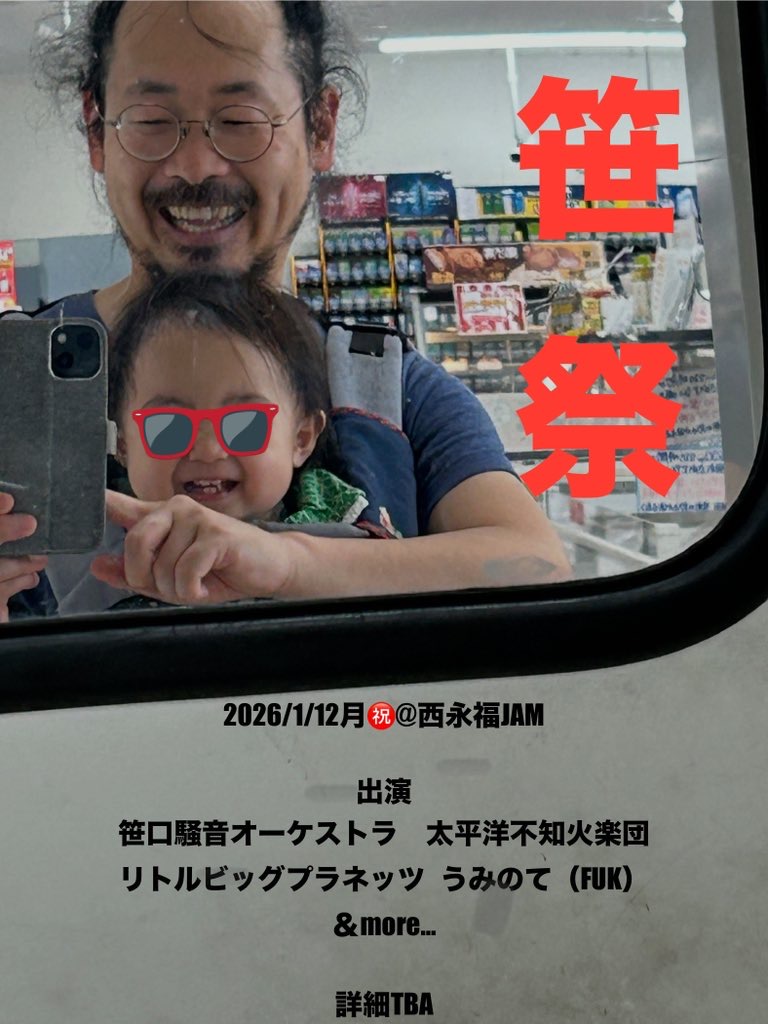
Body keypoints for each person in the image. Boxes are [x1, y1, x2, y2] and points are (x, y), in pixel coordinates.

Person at [0, 0, 569, 620]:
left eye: (241, 119)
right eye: (151, 120)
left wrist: (290, 562)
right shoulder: (12, 384)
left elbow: (534, 567)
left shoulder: (393, 393)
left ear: (320, 129)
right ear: (96, 130)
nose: (195, 166)